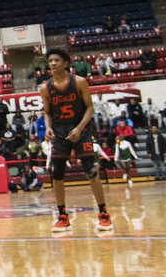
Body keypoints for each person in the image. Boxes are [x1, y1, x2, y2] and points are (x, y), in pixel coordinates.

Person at [40, 49, 112, 234]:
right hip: (60, 132)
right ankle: (63, 217)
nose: (52, 63)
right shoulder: (45, 87)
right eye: (50, 61)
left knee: (91, 171)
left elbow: (90, 109)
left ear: (66, 63)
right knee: (57, 174)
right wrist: (48, 128)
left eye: (56, 60)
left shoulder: (79, 82)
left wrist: (79, 128)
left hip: (82, 130)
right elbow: (47, 112)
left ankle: (104, 214)